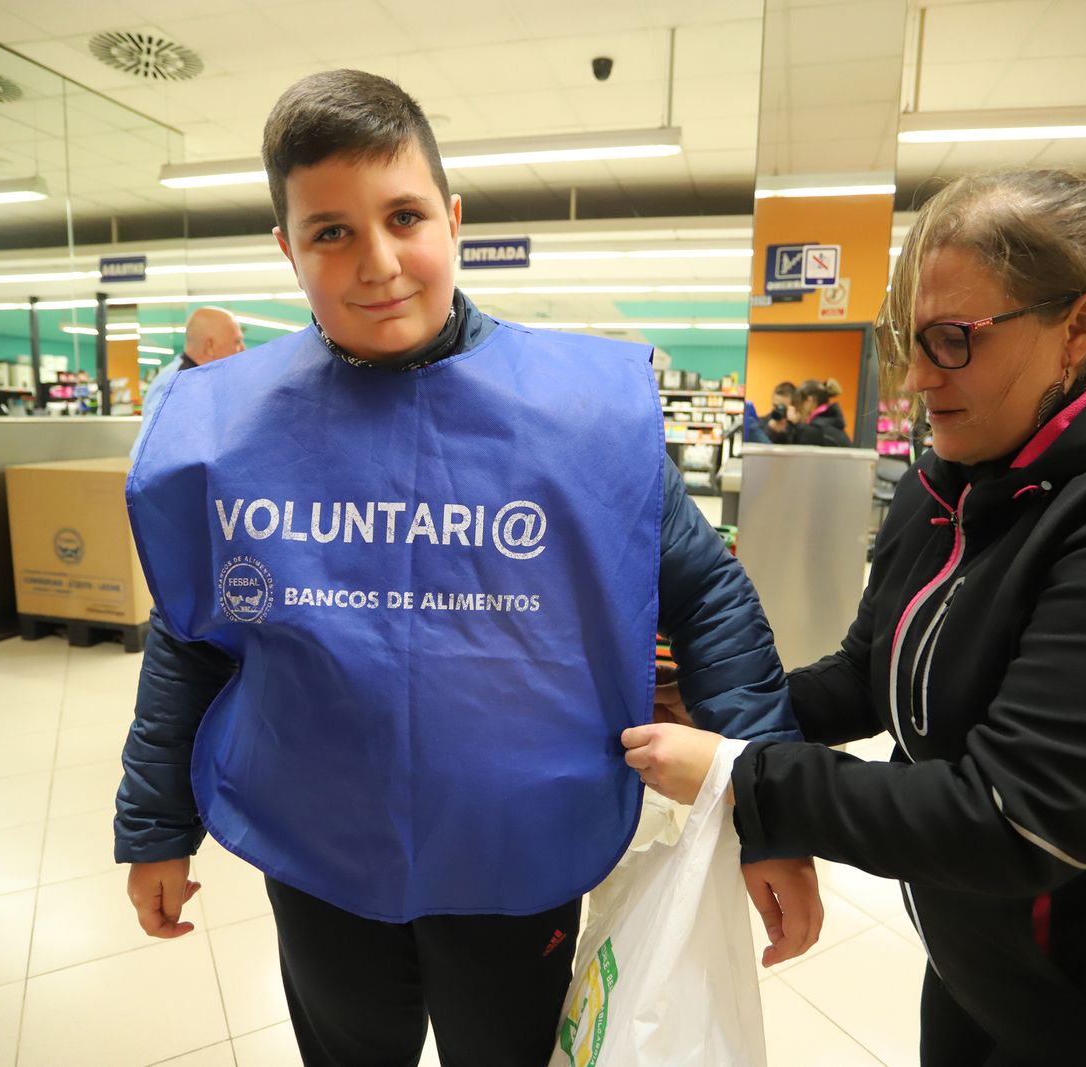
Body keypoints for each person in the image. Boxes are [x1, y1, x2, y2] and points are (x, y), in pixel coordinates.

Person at [115, 69, 821, 1067]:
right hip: (319, 851)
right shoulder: (225, 435)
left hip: (519, 853)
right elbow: (189, 636)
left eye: (403, 216)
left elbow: (709, 602)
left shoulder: (579, 419)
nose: (377, 261)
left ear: (451, 218)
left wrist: (771, 814)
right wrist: (154, 824)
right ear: (286, 247)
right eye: (330, 231)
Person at [624, 167, 1086, 1064]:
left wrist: (741, 775)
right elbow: (872, 672)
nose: (921, 377)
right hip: (992, 971)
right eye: (908, 340)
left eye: (953, 340)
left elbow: (1014, 816)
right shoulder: (954, 479)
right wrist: (717, 710)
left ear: (1079, 327)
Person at [134, 306, 245, 448]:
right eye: (236, 342)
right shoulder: (178, 384)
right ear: (210, 347)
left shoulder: (201, 379)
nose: (243, 349)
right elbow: (147, 451)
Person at [790, 378, 852, 447]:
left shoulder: (814, 431)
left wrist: (794, 426)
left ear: (810, 401)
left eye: (798, 405)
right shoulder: (829, 424)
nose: (798, 412)